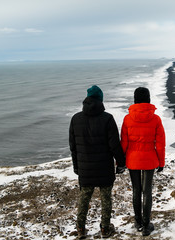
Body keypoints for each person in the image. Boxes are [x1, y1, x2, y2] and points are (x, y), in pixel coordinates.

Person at [69, 85, 126, 239]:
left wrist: (77, 168)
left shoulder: (75, 119)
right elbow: (115, 145)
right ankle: (105, 229)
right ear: (101, 100)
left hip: (85, 169)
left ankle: (80, 229)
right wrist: (121, 163)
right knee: (106, 199)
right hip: (104, 168)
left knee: (84, 198)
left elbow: (73, 147)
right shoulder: (107, 118)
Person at [120, 87, 166, 236]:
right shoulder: (156, 119)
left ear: (135, 99)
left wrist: (121, 161)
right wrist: (161, 162)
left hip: (132, 159)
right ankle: (146, 225)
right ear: (148, 99)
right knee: (147, 192)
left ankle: (138, 222)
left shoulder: (127, 119)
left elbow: (124, 143)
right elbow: (160, 143)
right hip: (149, 159)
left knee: (136, 190)